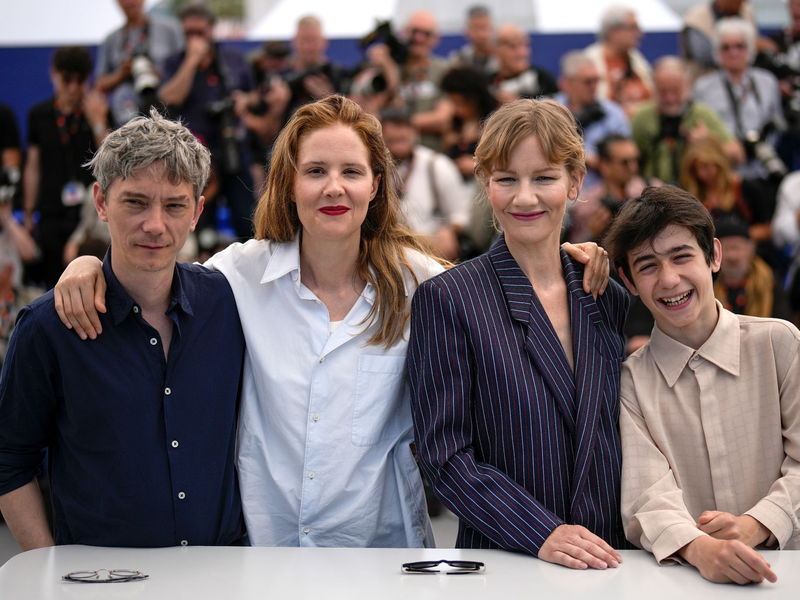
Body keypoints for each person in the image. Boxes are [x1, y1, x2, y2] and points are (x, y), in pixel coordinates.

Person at [53, 95, 607, 548]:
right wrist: (85, 265)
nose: (334, 187)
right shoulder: (241, 276)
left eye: (351, 171)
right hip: (264, 558)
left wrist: (562, 253)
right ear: (289, 185)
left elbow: (501, 278)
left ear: (376, 185)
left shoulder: (425, 284)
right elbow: (154, 270)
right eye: (315, 171)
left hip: (383, 557)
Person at [0, 109, 245, 550]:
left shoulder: (230, 303)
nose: (155, 224)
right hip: (99, 584)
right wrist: (47, 564)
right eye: (135, 202)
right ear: (100, 201)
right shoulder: (49, 328)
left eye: (174, 205)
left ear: (197, 211)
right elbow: (8, 458)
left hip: (221, 576)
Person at [408, 98, 629, 570]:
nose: (524, 198)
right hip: (505, 562)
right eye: (506, 179)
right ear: (485, 184)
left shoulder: (604, 292)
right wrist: (540, 531)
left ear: (575, 182)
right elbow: (443, 456)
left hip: (612, 562)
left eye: (544, 178)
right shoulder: (448, 300)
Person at [604, 185, 799, 585]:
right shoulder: (631, 382)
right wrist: (700, 548)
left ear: (714, 255)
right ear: (627, 280)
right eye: (647, 266)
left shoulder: (780, 344)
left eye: (682, 256)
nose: (670, 279)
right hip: (687, 581)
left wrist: (756, 524)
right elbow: (647, 494)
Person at [158, 1, 257, 240]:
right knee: (199, 228)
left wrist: (244, 100)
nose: (194, 39)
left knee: (248, 223)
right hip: (192, 155)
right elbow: (169, 98)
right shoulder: (175, 61)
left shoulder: (232, 59)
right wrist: (192, 60)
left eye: (199, 33)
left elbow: (254, 94)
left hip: (231, 148)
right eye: (188, 33)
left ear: (212, 29)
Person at [23, 46, 110, 290]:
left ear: (88, 79)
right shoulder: (39, 115)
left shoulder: (97, 111)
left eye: (80, 80)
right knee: (54, 283)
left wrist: (98, 122)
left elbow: (111, 162)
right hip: (51, 210)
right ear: (54, 75)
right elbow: (32, 166)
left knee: (93, 281)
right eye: (67, 79)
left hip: (89, 216)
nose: (73, 87)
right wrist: (29, 213)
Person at [692, 18, 785, 180]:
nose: (733, 53)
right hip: (721, 171)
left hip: (763, 168)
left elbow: (777, 123)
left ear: (751, 49)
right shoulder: (702, 87)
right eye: (725, 47)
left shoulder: (767, 81)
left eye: (740, 46)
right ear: (716, 52)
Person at [631, 56, 742, 184]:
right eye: (663, 92)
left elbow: (737, 155)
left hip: (694, 194)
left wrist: (707, 143)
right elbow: (626, 158)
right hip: (652, 192)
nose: (670, 99)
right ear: (653, 88)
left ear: (688, 86)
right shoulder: (642, 117)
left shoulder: (701, 114)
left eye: (676, 91)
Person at [381, 108, 471, 261]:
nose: (398, 145)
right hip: (389, 251)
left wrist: (450, 231)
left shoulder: (437, 165)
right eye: (392, 140)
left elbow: (461, 214)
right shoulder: (375, 170)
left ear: (415, 133)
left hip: (431, 252)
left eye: (402, 139)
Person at [95, 0, 184, 125]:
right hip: (126, 118)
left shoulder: (171, 30)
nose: (129, 2)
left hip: (167, 111)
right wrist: (121, 75)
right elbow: (100, 83)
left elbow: (186, 69)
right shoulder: (111, 39)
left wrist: (161, 75)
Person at [555, 50, 630, 171]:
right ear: (568, 83)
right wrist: (584, 158)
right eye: (588, 82)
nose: (594, 86)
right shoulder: (549, 111)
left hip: (602, 184)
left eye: (596, 80)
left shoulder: (613, 113)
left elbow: (625, 155)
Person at [713, 215, 791, 320]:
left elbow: (783, 321)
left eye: (737, 248)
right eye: (726, 248)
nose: (732, 256)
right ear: (716, 252)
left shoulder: (769, 280)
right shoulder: (707, 282)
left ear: (751, 249)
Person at [583, 5, 653, 117]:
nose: (639, 34)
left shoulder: (637, 60)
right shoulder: (589, 62)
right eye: (632, 28)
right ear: (613, 32)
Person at [682, 0, 757, 80]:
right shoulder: (696, 18)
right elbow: (703, 55)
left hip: (743, 80)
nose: (744, 3)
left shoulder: (746, 12)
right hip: (706, 79)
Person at [491, 24, 558, 103]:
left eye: (525, 45)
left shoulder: (542, 79)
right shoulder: (489, 84)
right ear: (496, 49)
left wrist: (519, 104)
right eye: (513, 46)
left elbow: (556, 111)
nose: (522, 53)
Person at [448, 5, 498, 75]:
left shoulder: (501, 59)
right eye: (476, 29)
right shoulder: (458, 59)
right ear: (467, 30)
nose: (481, 35)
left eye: (485, 28)